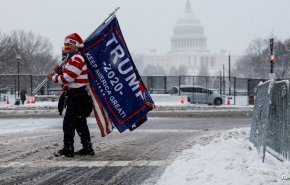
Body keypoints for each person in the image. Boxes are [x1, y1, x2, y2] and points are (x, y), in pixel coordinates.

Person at [48, 33, 94, 157]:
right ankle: (87, 147)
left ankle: (68, 148)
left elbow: (68, 78)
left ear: (75, 45)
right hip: (77, 95)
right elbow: (69, 75)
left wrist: (54, 76)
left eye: (69, 44)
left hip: (78, 96)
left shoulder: (76, 59)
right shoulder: (72, 59)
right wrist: (60, 71)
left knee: (68, 123)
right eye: (65, 44)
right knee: (80, 123)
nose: (66, 46)